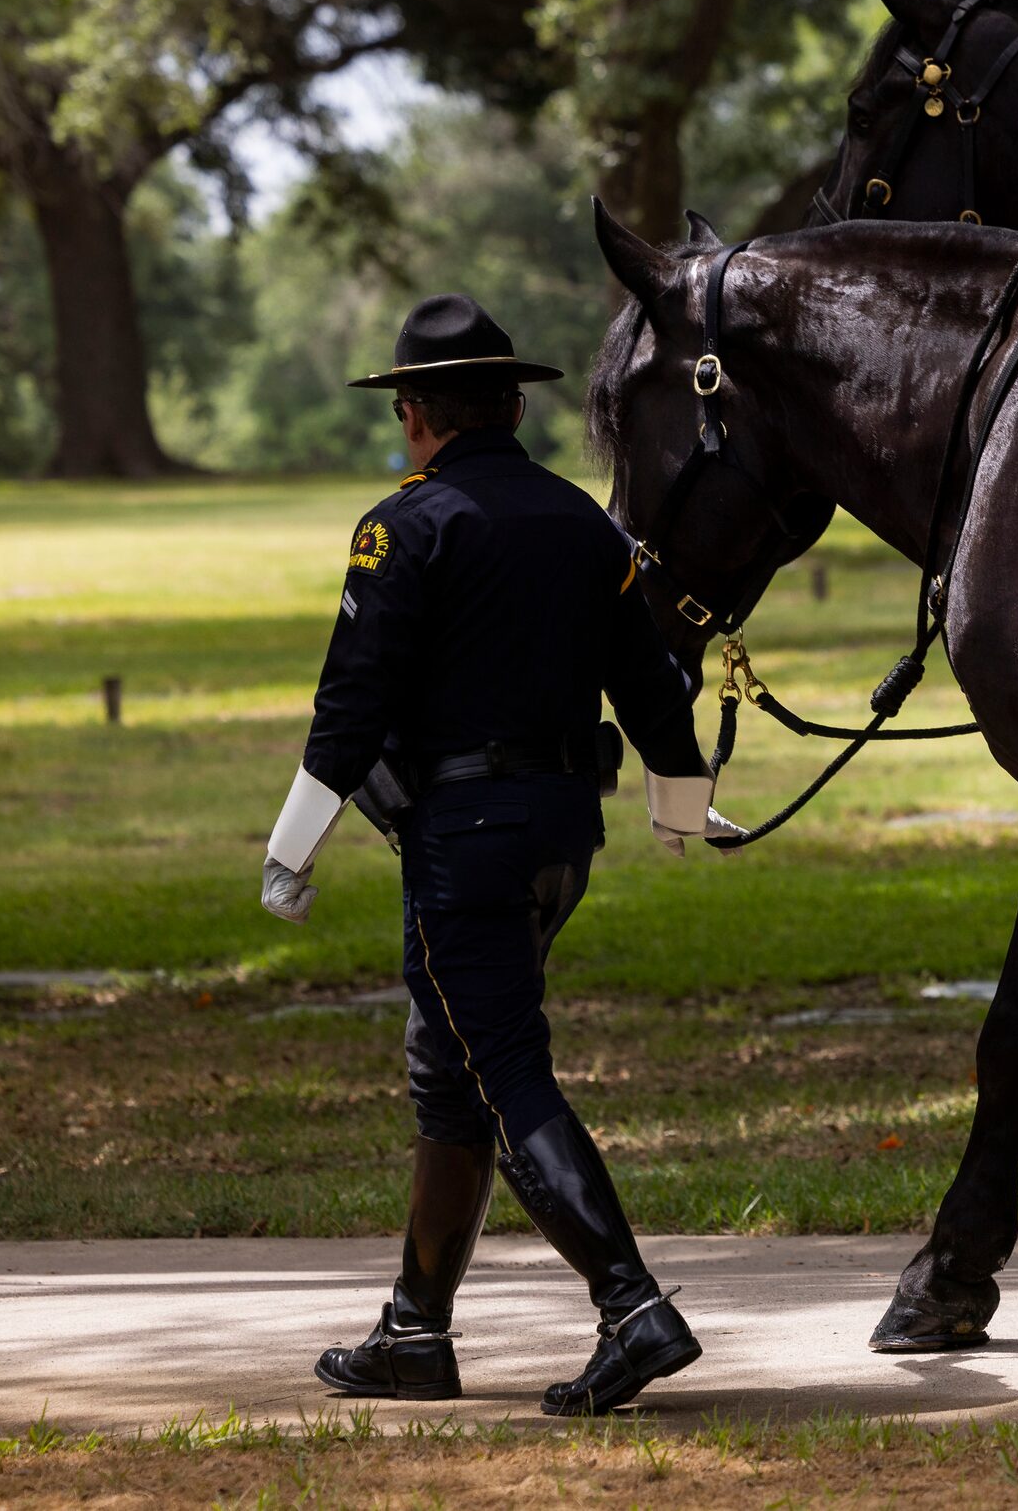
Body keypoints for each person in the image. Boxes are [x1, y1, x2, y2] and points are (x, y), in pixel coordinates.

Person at [259, 293, 726, 1415]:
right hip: (564, 829)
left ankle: (632, 1306)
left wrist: (292, 848)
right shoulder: (584, 523)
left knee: (503, 1067)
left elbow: (352, 704)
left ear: (416, 413)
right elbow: (653, 687)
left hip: (463, 842)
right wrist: (683, 804)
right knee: (452, 1066)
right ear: (511, 405)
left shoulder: (403, 527)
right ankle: (415, 1332)